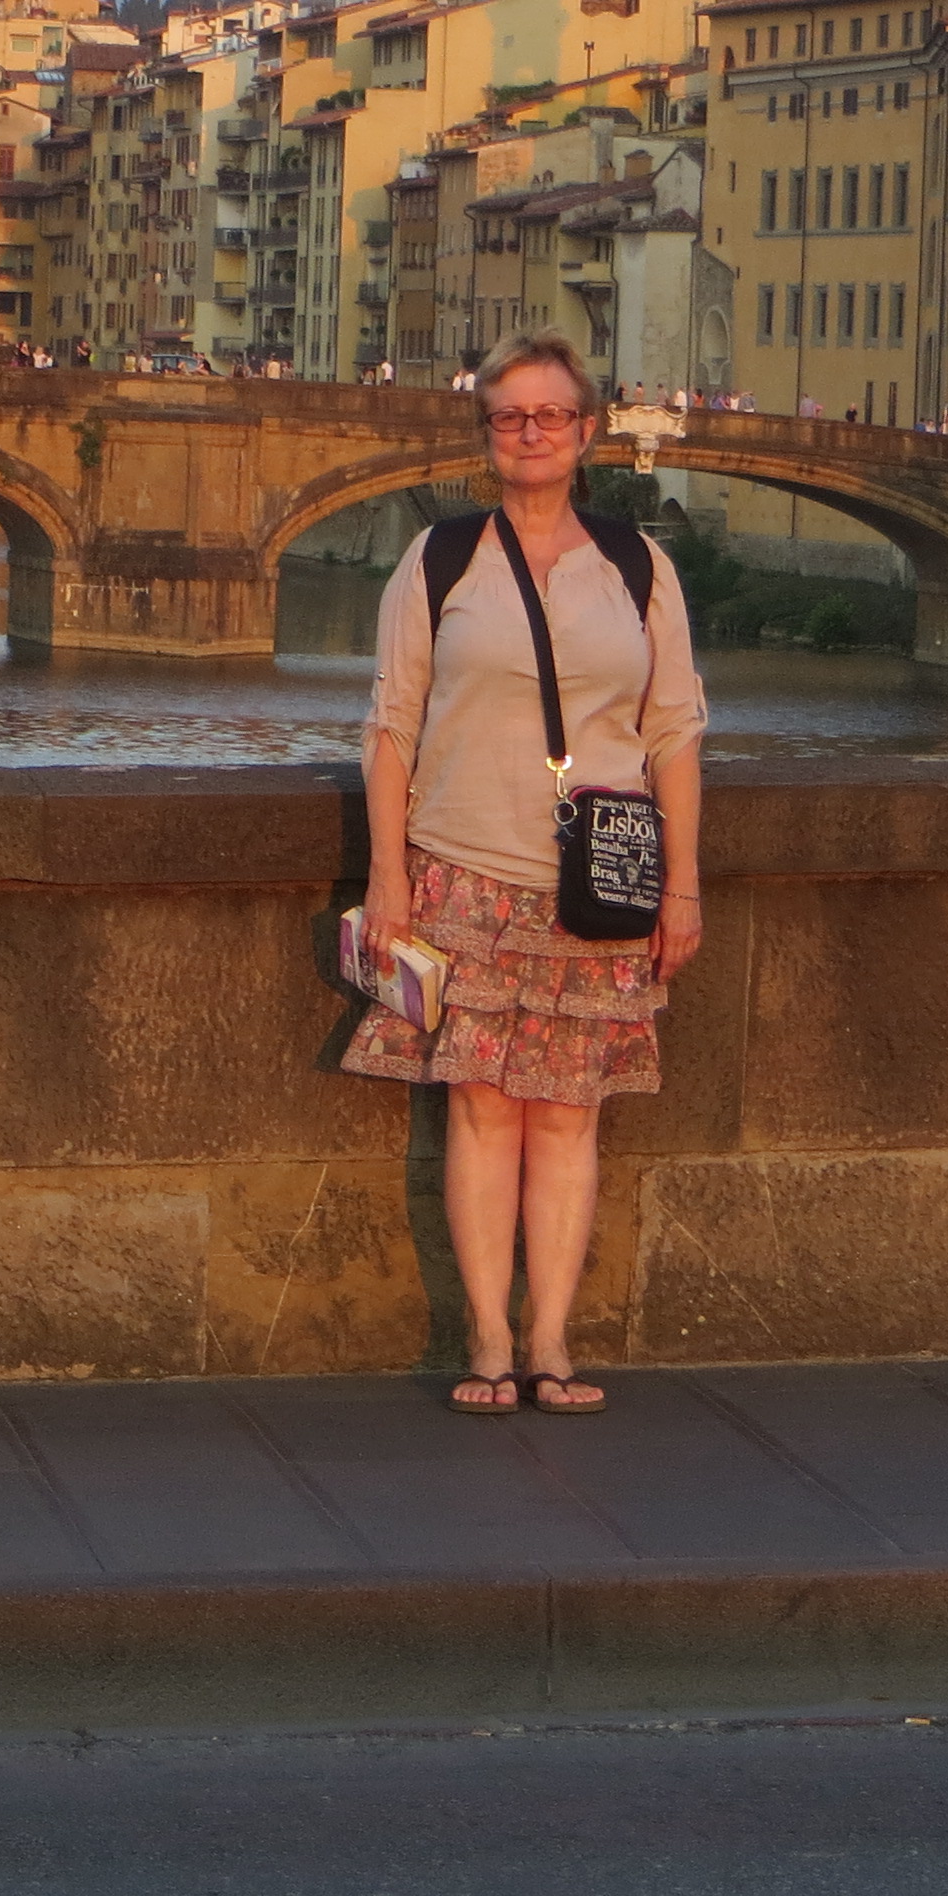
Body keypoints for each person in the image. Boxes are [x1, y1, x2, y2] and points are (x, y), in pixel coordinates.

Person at [346, 331, 705, 1415]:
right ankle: (488, 1338)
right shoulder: (441, 559)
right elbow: (390, 726)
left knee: (568, 1114)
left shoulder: (637, 566)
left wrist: (683, 884)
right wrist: (389, 875)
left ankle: (551, 1338)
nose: (532, 433)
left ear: (587, 431)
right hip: (464, 870)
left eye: (551, 415)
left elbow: (675, 732)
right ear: (487, 435)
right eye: (510, 417)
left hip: (600, 881)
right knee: (483, 1111)